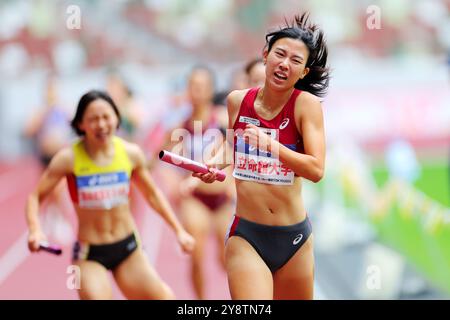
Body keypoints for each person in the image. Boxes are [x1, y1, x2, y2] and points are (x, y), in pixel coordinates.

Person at [193, 13, 330, 300]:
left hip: (294, 239)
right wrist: (212, 164)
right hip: (248, 236)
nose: (284, 63)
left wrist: (271, 145)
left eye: (295, 60)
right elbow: (232, 147)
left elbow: (316, 169)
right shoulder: (237, 101)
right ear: (265, 55)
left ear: (304, 72)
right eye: (279, 54)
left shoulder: (306, 106)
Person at [25, 90, 195, 300]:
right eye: (93, 119)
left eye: (107, 117)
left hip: (128, 248)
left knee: (165, 297)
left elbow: (152, 195)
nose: (102, 124)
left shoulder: (130, 153)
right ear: (80, 124)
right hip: (89, 254)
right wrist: (35, 230)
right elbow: (35, 197)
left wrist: (179, 230)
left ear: (116, 119)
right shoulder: (68, 158)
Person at [154, 65, 235, 299]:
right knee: (197, 257)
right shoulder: (180, 127)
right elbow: (157, 158)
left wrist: (231, 182)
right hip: (195, 200)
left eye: (201, 86)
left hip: (222, 199)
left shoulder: (222, 120)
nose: (196, 91)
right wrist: (172, 184)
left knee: (226, 260)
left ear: (211, 90)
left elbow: (234, 152)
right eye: (192, 86)